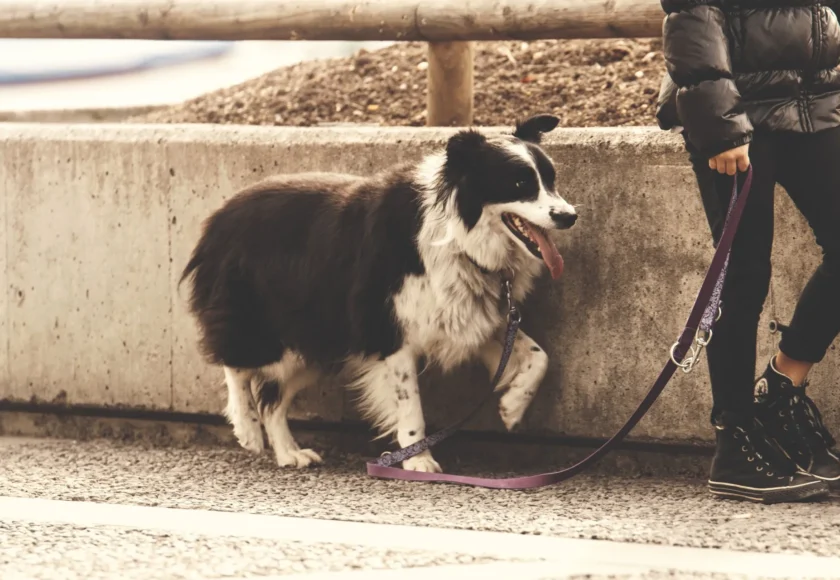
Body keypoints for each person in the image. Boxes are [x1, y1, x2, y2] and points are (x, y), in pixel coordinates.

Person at [656, 0, 840, 503]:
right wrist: (718, 125)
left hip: (815, 105)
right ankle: (734, 440)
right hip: (736, 114)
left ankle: (783, 387)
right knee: (744, 273)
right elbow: (692, 14)